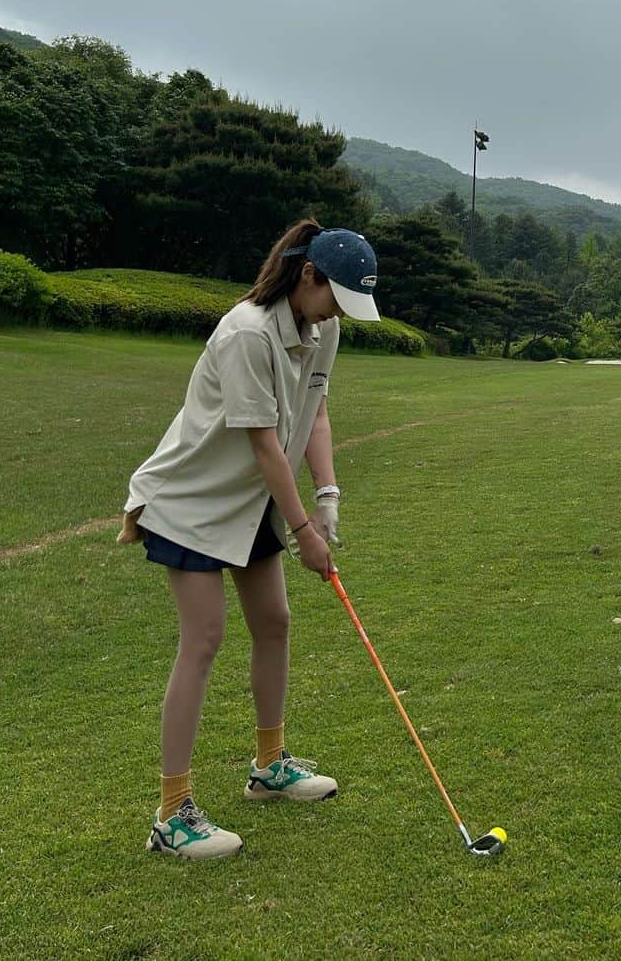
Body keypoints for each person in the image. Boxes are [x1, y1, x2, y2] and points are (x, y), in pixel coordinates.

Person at [118, 219, 379, 860]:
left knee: (275, 622)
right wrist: (302, 532)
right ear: (308, 275)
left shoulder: (323, 329)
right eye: (335, 296)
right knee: (203, 639)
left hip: (252, 500)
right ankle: (171, 814)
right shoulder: (246, 334)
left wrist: (328, 497)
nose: (336, 314)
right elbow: (264, 443)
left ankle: (269, 767)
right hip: (193, 498)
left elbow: (315, 409)